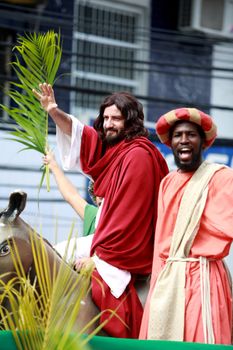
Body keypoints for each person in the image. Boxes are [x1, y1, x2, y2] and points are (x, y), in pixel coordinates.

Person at [33, 83, 169, 338]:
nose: (108, 124)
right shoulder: (116, 149)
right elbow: (81, 136)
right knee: (51, 255)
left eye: (116, 118)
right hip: (104, 240)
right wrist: (53, 111)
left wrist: (98, 261)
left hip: (124, 249)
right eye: (105, 118)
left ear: (131, 122)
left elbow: (129, 218)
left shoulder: (139, 155)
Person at [139, 107, 233, 345]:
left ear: (203, 142)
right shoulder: (167, 183)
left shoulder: (222, 177)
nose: (184, 140)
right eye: (178, 135)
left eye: (191, 134)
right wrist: (155, 291)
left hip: (204, 278)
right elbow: (160, 242)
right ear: (170, 143)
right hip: (168, 279)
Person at [42, 150, 102, 270]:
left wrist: (96, 261)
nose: (101, 196)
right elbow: (72, 196)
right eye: (98, 194)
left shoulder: (123, 217)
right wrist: (53, 165)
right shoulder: (95, 216)